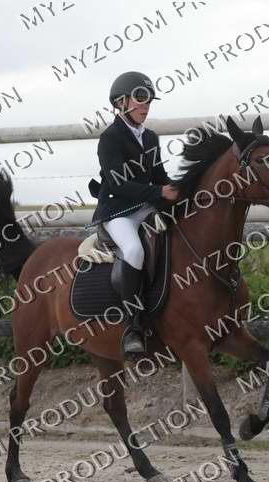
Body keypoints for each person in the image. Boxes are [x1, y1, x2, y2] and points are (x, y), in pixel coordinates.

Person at [88, 71, 178, 357]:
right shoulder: (110, 138)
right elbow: (118, 184)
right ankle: (132, 327)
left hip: (147, 206)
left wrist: (180, 189)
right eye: (140, 98)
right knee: (134, 250)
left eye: (149, 100)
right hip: (119, 211)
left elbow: (159, 176)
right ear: (121, 102)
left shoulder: (150, 137)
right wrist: (159, 192)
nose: (145, 105)